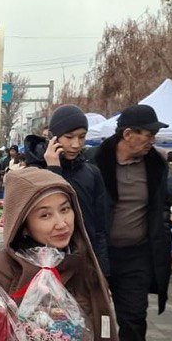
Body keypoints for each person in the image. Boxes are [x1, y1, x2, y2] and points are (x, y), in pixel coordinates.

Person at [0, 167, 125, 341]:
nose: (61, 223)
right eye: (45, 215)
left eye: (65, 209)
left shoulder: (84, 266)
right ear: (23, 224)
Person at [91, 104, 172, 341]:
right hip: (100, 255)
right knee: (95, 320)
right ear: (128, 134)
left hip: (137, 255)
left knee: (134, 320)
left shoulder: (156, 166)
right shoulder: (96, 163)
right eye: (148, 133)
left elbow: (162, 205)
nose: (153, 139)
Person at [24, 105, 111, 276]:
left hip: (83, 262)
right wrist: (54, 170)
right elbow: (45, 206)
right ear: (53, 136)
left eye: (82, 137)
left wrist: (102, 270)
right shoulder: (34, 170)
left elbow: (100, 225)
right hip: (44, 262)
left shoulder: (91, 173)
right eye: (69, 137)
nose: (75, 144)